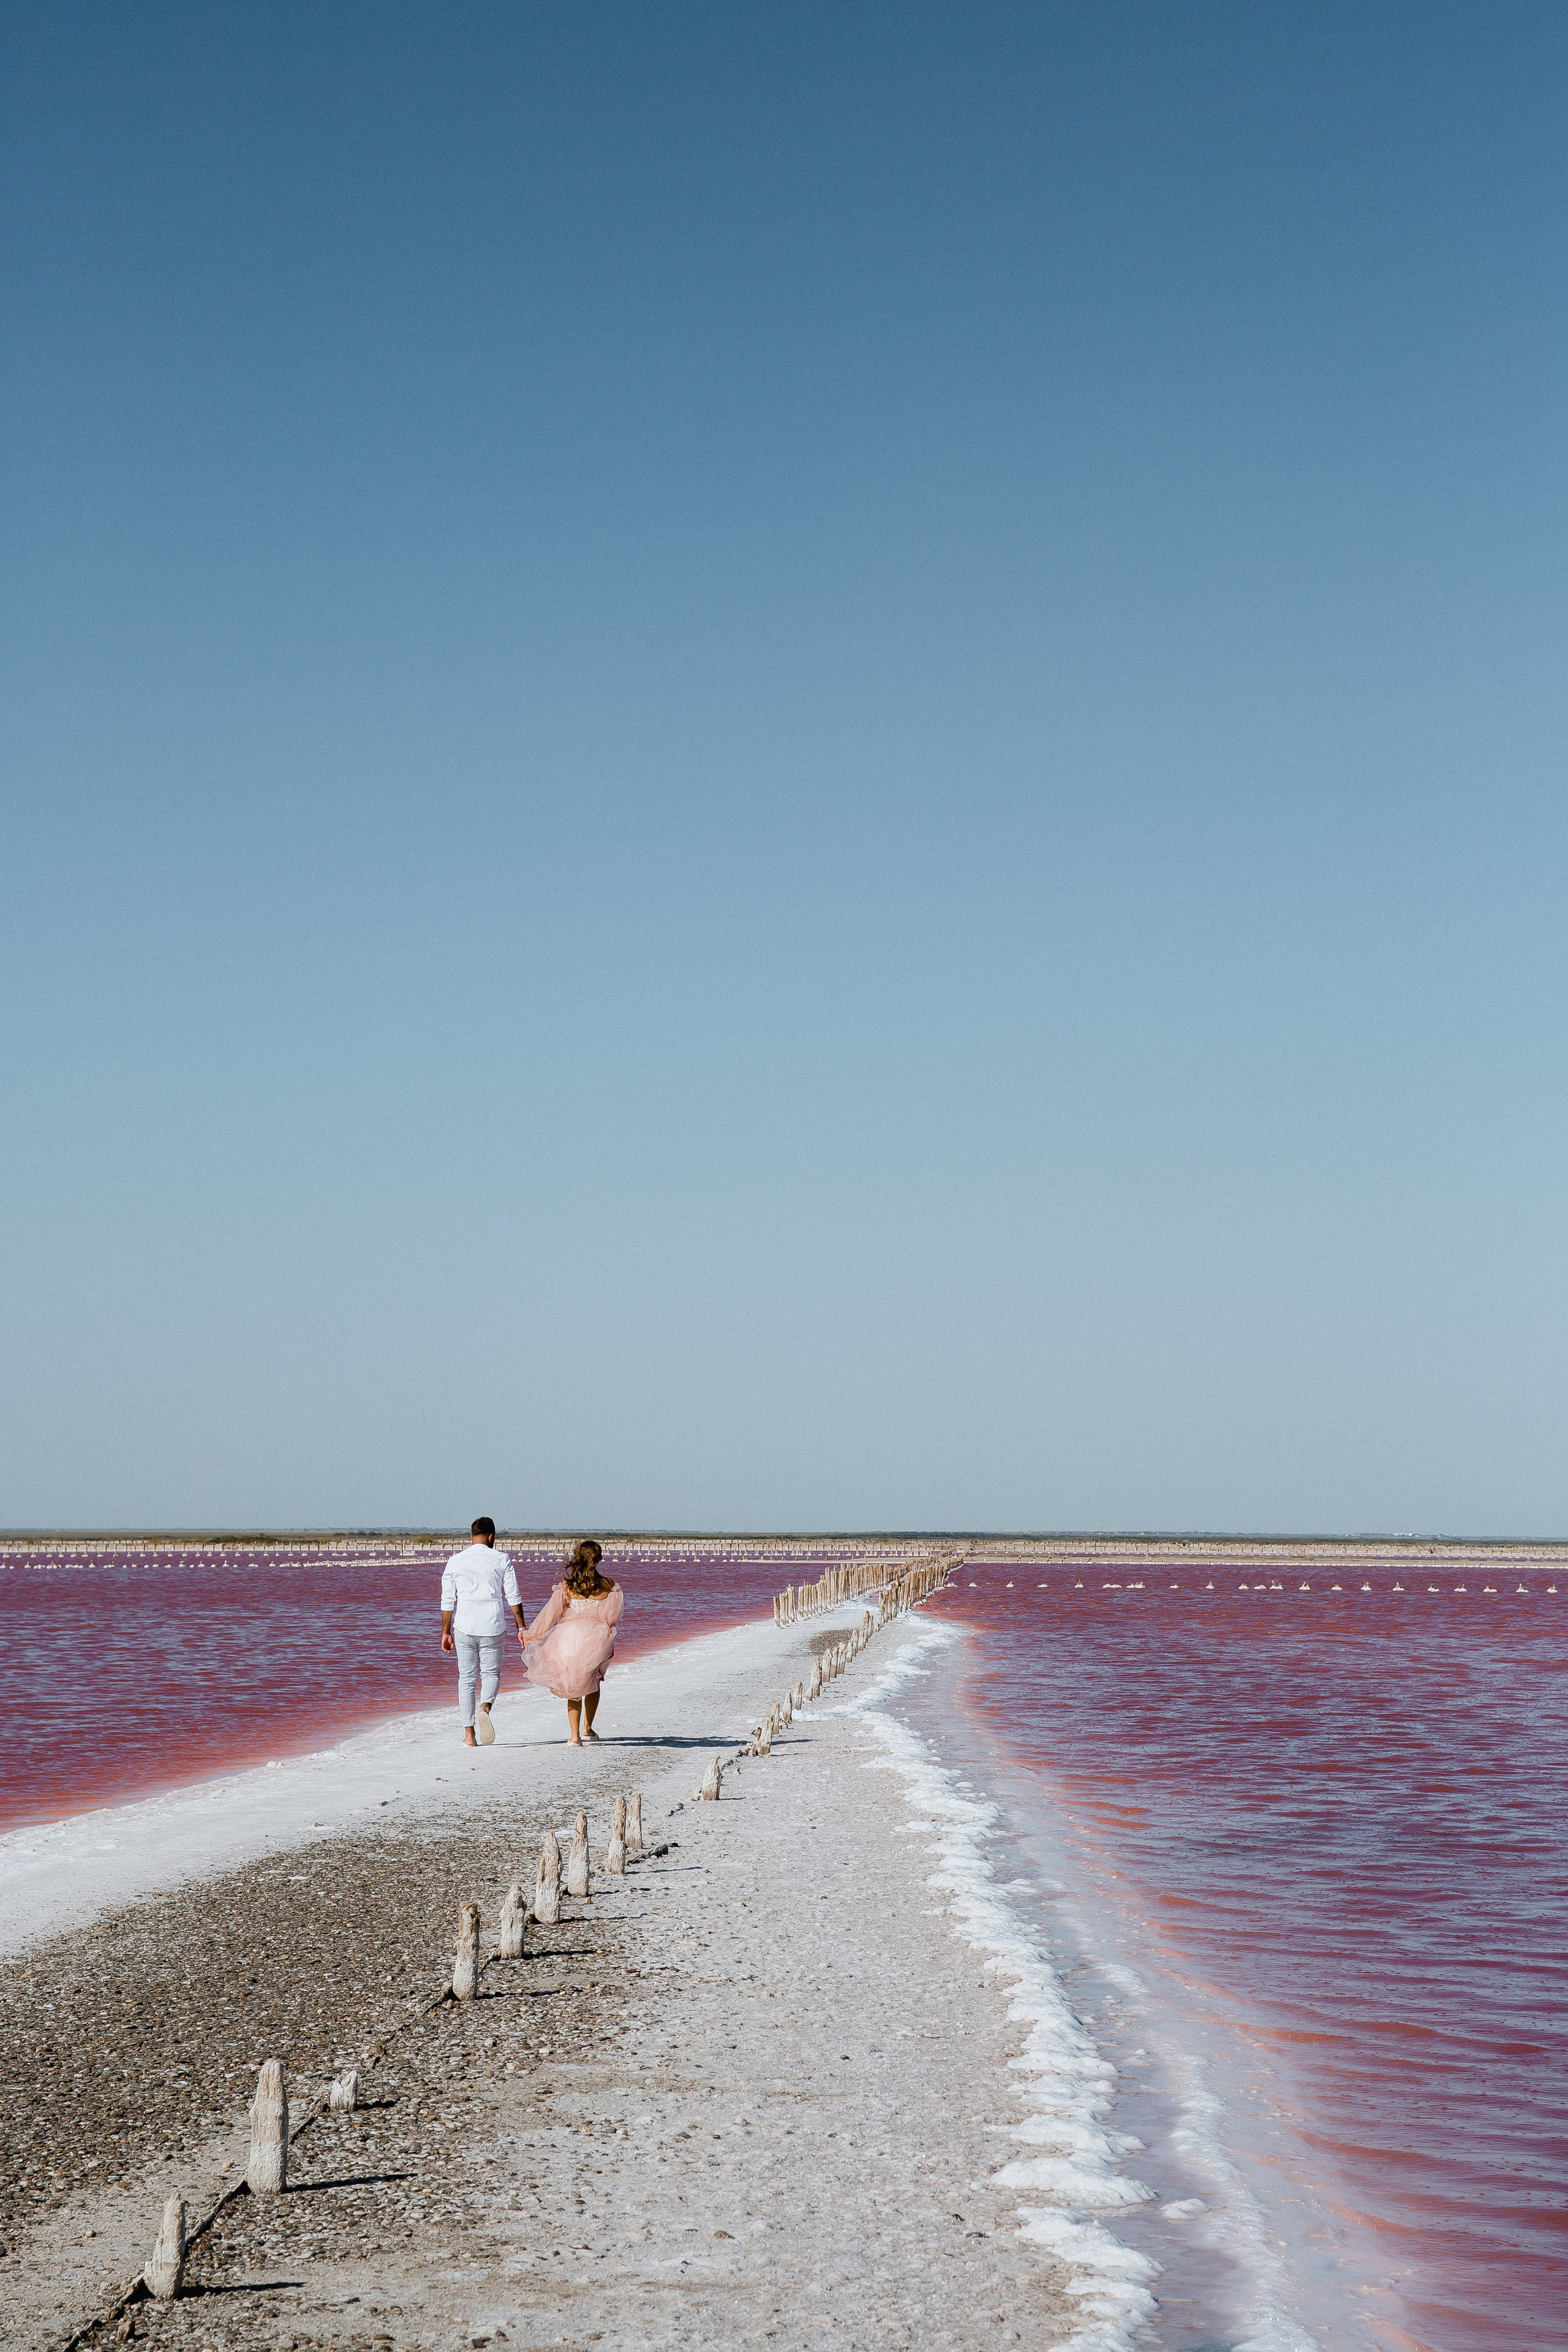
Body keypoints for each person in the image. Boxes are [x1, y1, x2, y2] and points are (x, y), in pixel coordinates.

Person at [522, 1539, 624, 1744]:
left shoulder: (567, 1586)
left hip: (567, 1638)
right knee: (594, 1681)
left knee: (573, 1685)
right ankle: (588, 1729)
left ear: (577, 1558)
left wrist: (531, 1634)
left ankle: (575, 1736)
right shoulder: (609, 1586)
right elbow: (612, 1618)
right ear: (598, 1559)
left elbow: (549, 1615)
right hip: (595, 1639)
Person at [440, 1516, 527, 1749]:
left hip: (464, 1627)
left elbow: (447, 1601)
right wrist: (521, 1627)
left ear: (471, 1537)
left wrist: (446, 1632)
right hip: (493, 1626)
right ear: (492, 1537)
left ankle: (469, 1736)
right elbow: (514, 1597)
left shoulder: (455, 1561)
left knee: (466, 1679)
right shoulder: (502, 1559)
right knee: (491, 1674)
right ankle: (485, 1708)